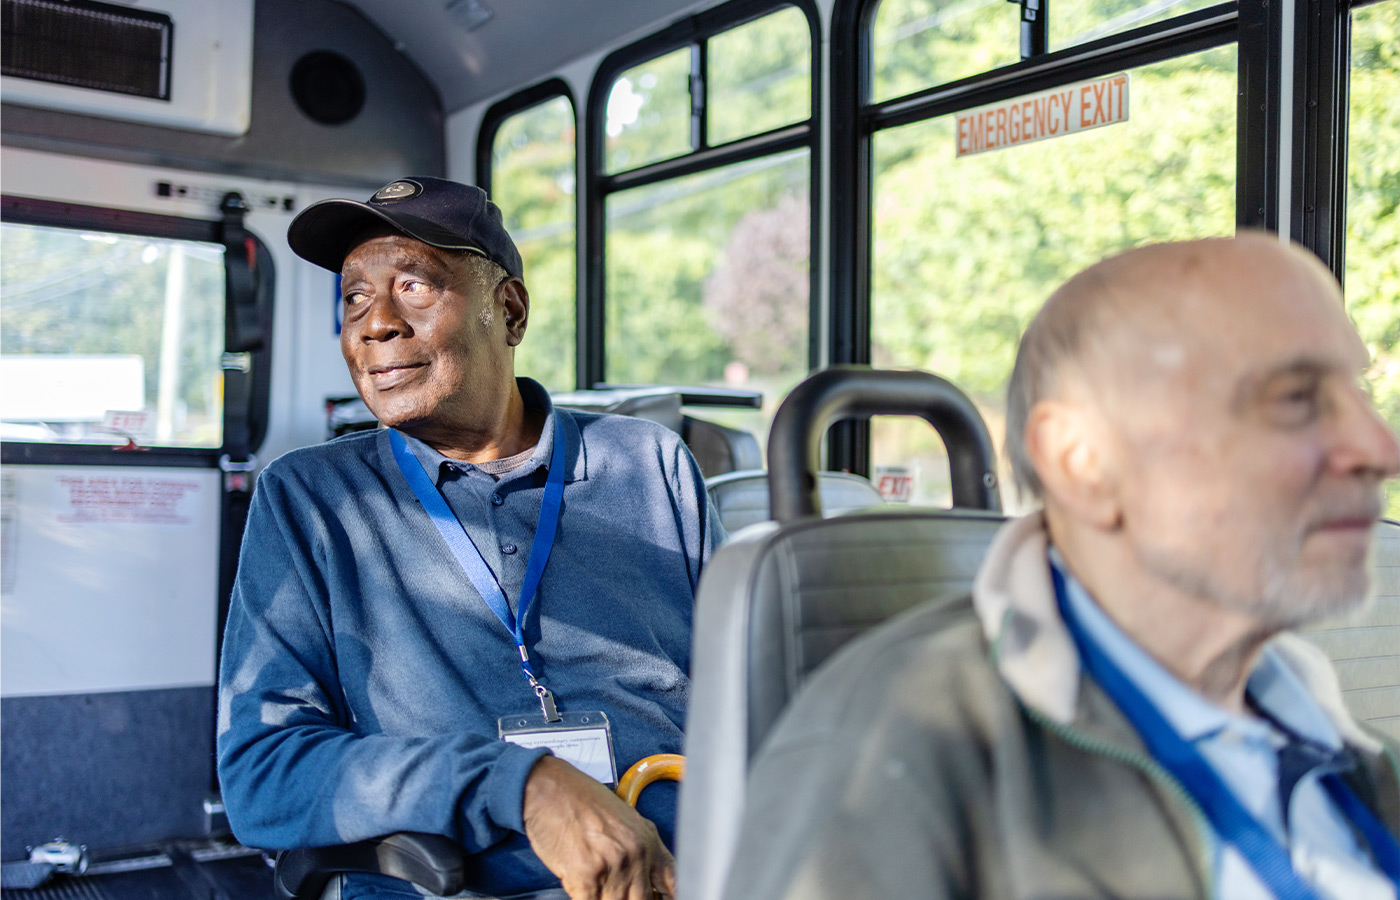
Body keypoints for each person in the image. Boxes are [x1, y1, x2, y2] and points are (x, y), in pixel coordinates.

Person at [722, 234, 1400, 900]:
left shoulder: (1338, 742)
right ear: (1085, 462)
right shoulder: (896, 751)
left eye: (1360, 394)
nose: (1379, 448)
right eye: (1293, 401)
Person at [217, 176, 724, 900]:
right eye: (354, 297)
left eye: (414, 286)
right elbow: (263, 774)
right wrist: (520, 783)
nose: (375, 323)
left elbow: (749, 694)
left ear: (509, 311)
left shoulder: (649, 464)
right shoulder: (310, 498)